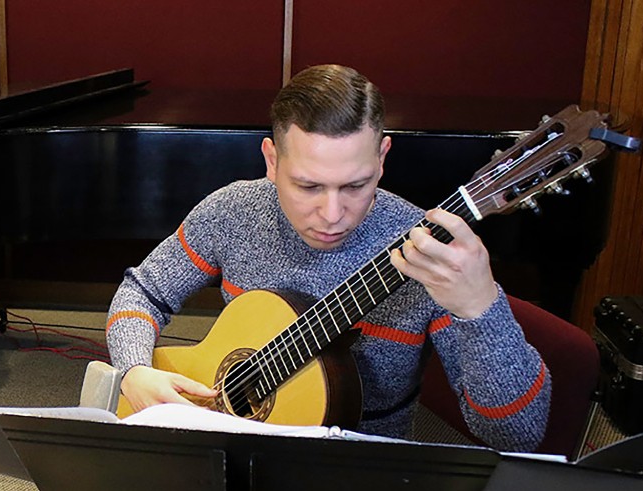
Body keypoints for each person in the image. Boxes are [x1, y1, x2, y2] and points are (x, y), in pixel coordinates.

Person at [105, 64, 550, 451]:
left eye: (355, 185)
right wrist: (133, 370)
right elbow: (143, 291)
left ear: (382, 157)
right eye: (308, 186)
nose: (333, 214)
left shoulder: (429, 256)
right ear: (271, 160)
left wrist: (480, 308)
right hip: (226, 444)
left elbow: (518, 436)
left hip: (362, 468)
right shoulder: (233, 212)